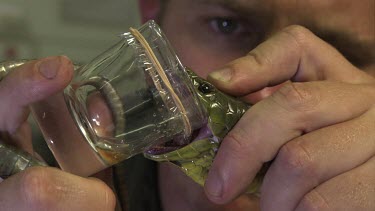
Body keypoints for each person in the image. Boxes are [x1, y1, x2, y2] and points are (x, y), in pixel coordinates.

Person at [0, 0, 374, 210]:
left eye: (341, 51)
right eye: (225, 26)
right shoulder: (29, 171)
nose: (270, 95)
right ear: (151, 14)